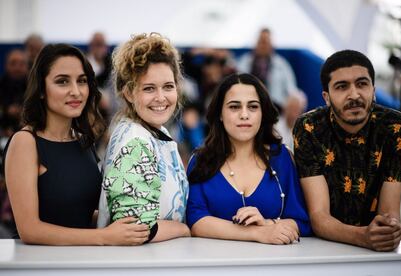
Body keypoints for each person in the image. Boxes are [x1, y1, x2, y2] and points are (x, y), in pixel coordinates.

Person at [4, 44, 149, 245]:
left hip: (84, 262)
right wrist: (105, 236)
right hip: (40, 266)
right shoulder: (25, 142)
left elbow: (79, 216)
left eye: (82, 81)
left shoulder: (82, 140)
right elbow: (30, 229)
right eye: (62, 81)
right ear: (41, 90)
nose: (76, 91)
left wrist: (132, 221)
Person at [293, 49, 401, 251]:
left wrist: (387, 230)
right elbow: (319, 216)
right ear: (326, 97)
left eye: (362, 84)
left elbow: (389, 213)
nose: (354, 95)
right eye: (342, 87)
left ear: (373, 90)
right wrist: (363, 237)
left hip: (375, 249)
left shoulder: (396, 127)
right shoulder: (309, 127)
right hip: (320, 246)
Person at [186, 73, 312, 244]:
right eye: (234, 107)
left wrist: (267, 223)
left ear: (262, 113)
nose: (244, 115)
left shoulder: (282, 157)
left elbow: (300, 221)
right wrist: (258, 233)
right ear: (220, 114)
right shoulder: (200, 160)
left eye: (253, 107)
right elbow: (195, 221)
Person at [97, 33, 190, 244]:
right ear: (129, 93)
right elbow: (134, 229)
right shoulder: (135, 140)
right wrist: (183, 229)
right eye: (149, 88)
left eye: (168, 86)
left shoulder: (157, 132)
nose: (161, 97)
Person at [237, 28, 298, 111]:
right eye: (261, 42)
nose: (263, 45)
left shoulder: (282, 65)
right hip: (247, 106)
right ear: (256, 43)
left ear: (271, 45)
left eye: (266, 42)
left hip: (275, 109)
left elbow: (292, 90)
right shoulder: (244, 62)